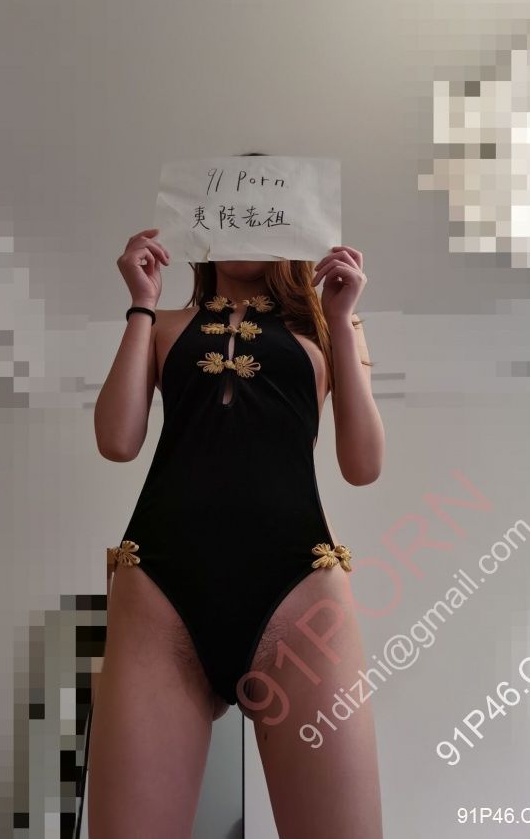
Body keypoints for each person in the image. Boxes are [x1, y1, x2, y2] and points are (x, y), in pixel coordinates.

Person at [81, 158, 386, 839]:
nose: (247, 223)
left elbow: (363, 465)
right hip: (160, 590)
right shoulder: (163, 323)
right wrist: (140, 300)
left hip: (298, 591)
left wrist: (342, 319)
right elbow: (117, 440)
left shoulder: (329, 327)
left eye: (266, 211)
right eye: (230, 209)